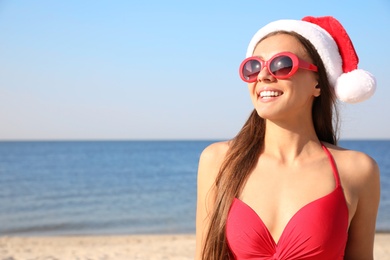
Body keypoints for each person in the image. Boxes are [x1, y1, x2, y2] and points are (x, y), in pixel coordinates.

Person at [195, 16, 380, 260]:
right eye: (253, 67)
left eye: (281, 65)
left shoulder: (358, 170)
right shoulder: (218, 161)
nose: (263, 76)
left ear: (318, 83)